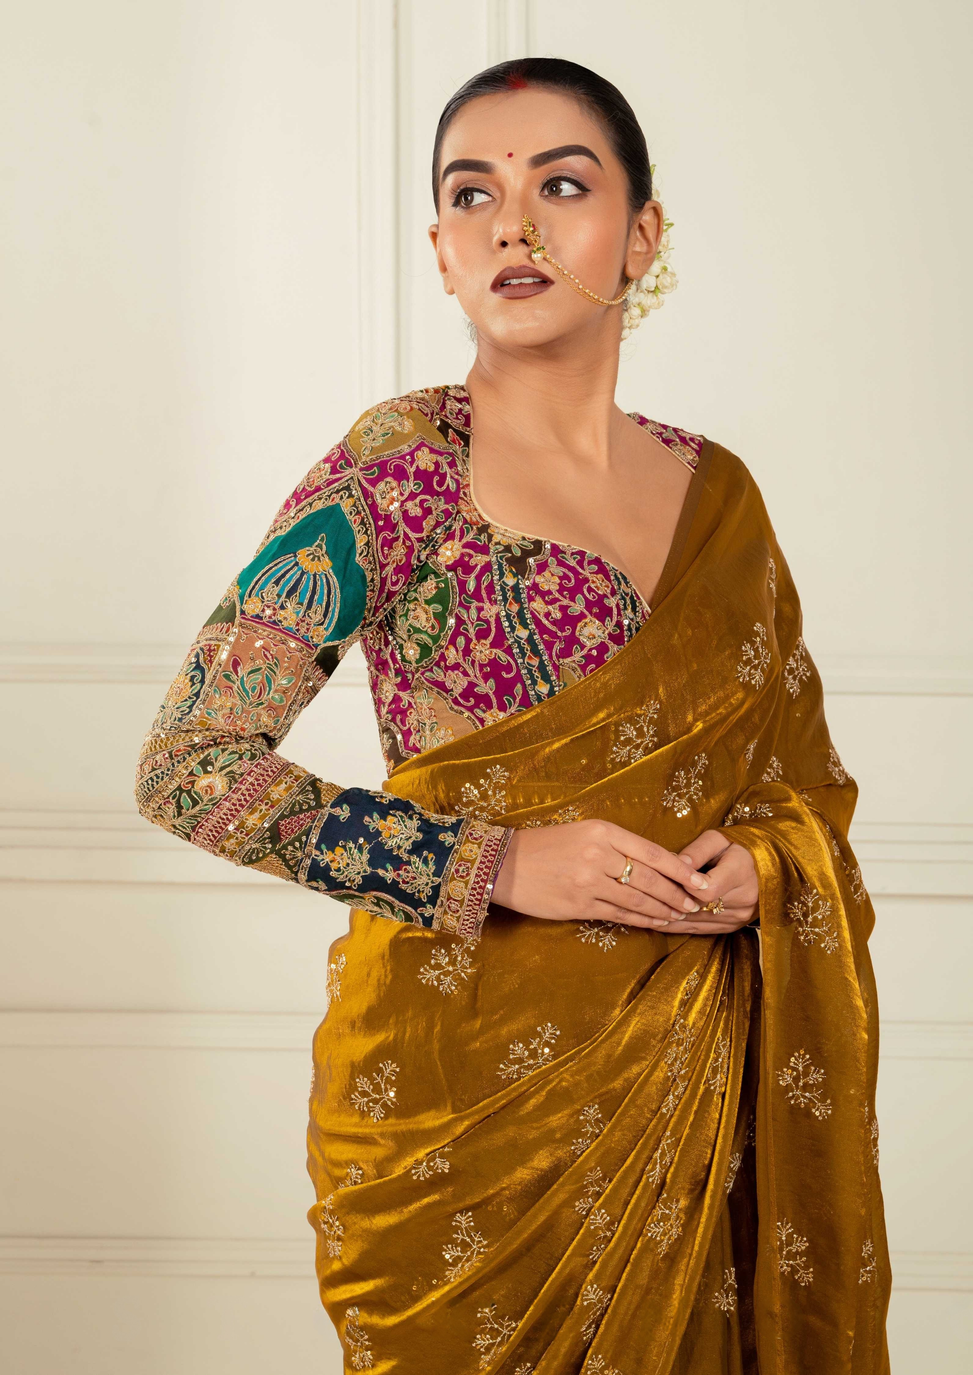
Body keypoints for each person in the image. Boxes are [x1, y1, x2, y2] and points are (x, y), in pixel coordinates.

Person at [135, 56, 889, 1375]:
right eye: (473, 194)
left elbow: (803, 781)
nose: (514, 226)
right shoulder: (395, 473)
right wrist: (493, 862)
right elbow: (189, 767)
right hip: (461, 1114)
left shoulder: (721, 499)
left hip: (692, 1082)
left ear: (642, 234)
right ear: (440, 250)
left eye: (563, 185)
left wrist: (766, 865)